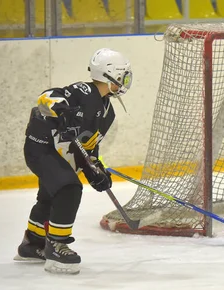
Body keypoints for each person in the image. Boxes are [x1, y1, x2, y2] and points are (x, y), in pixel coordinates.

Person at [14, 48, 132, 274]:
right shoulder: (83, 91)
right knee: (69, 188)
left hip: (59, 153)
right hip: (41, 146)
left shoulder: (108, 113)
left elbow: (88, 147)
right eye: (123, 75)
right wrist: (62, 111)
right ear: (111, 75)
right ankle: (57, 246)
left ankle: (32, 244)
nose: (126, 81)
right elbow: (47, 96)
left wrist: (95, 170)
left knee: (50, 195)